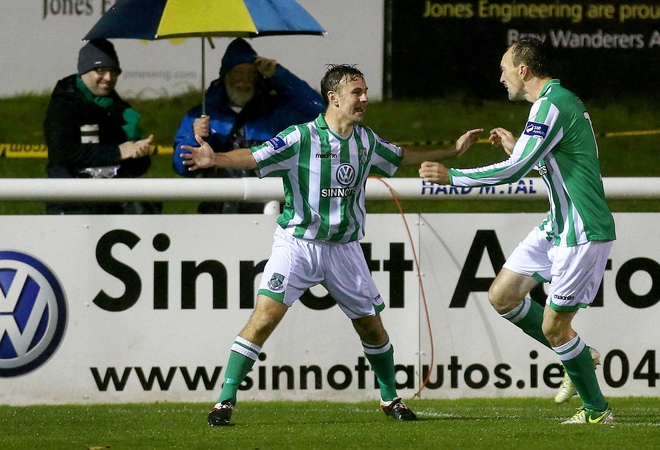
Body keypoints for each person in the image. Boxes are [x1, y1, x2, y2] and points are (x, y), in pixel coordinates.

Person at [181, 64, 482, 426]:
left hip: (344, 249)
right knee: (264, 319)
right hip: (298, 245)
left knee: (372, 328)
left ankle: (390, 398)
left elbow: (401, 155)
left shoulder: (366, 141)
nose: (365, 98)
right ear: (334, 98)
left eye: (365, 91)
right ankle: (224, 401)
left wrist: (453, 151)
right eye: (357, 92)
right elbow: (254, 156)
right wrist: (215, 158)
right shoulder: (301, 137)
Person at [418, 37, 616, 424]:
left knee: (555, 327)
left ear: (523, 70)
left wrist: (452, 176)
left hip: (582, 229)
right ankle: (579, 354)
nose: (501, 78)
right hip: (557, 225)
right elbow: (549, 160)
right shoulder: (555, 103)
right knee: (503, 296)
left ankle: (597, 410)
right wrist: (517, 149)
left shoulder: (552, 104)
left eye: (504, 69)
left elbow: (515, 171)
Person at [173, 38, 324, 214]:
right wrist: (194, 136)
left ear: (259, 78)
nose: (245, 80)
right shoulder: (200, 115)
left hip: (271, 211)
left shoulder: (277, 112)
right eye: (238, 72)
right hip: (217, 214)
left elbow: (318, 110)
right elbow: (181, 167)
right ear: (226, 76)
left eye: (251, 73)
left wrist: (278, 74)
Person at [44, 38, 156, 215]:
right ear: (84, 71)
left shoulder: (121, 110)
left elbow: (134, 169)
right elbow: (61, 151)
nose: (108, 78)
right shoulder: (63, 105)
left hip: (115, 205)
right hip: (73, 205)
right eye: (100, 70)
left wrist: (139, 155)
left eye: (114, 72)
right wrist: (117, 152)